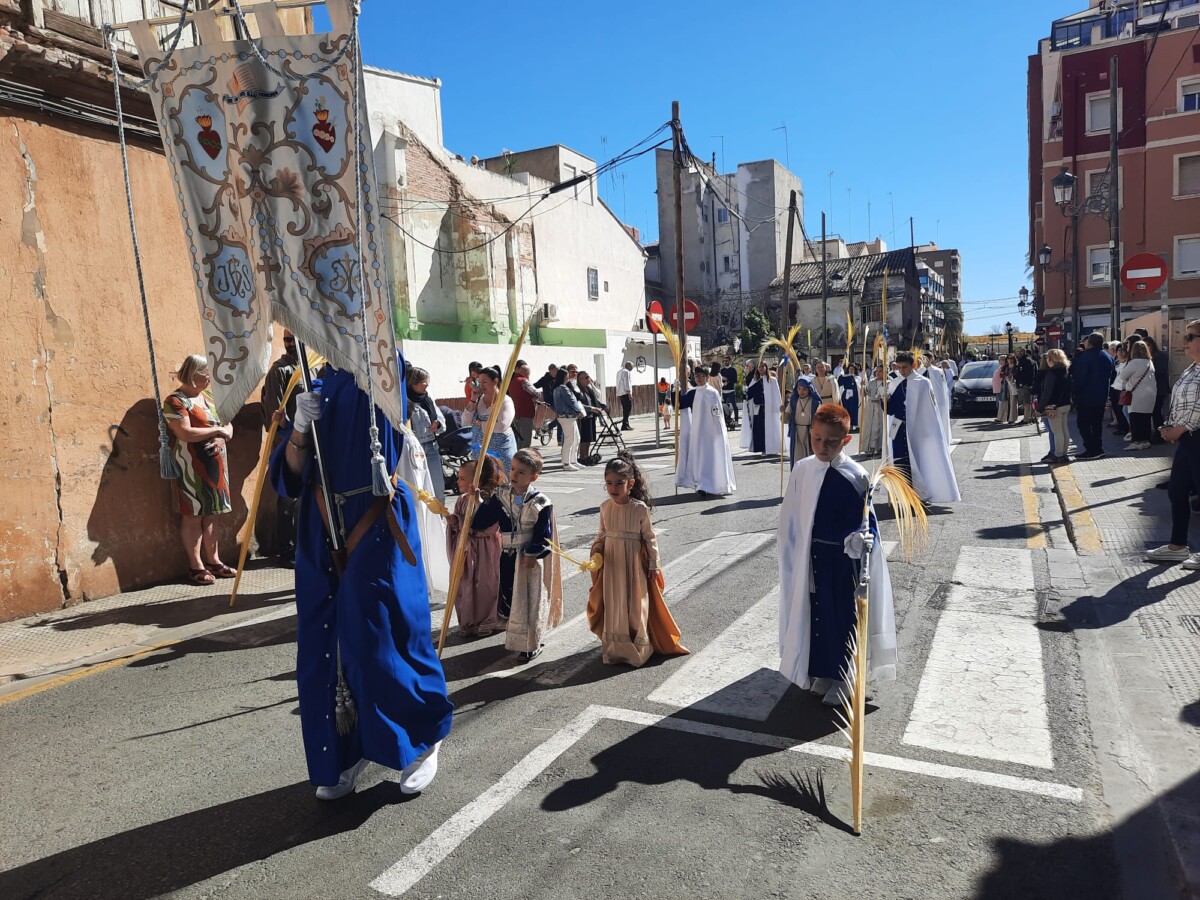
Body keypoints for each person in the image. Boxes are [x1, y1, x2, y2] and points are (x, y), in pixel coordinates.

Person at [271, 362, 452, 800]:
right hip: (320, 525)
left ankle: (419, 741)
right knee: (325, 642)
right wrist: (298, 430)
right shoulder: (307, 382)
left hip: (377, 520)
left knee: (385, 635)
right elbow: (290, 478)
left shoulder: (382, 363)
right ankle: (345, 749)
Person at [778, 403, 896, 706]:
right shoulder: (803, 469)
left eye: (831, 441)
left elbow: (867, 522)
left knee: (841, 618)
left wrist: (862, 539)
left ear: (846, 440)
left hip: (842, 564)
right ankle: (823, 671)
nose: (822, 446)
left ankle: (847, 677)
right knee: (816, 616)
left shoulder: (854, 476)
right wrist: (792, 553)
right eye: (817, 439)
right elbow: (792, 516)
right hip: (811, 558)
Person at [586, 454, 688, 667]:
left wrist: (653, 564)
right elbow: (601, 536)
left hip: (634, 564)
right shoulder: (605, 507)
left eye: (619, 483)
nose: (614, 488)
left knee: (635, 604)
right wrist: (596, 553)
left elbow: (650, 538)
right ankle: (615, 650)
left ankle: (638, 648)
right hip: (613, 565)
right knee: (614, 604)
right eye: (609, 483)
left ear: (631, 484)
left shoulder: (639, 508)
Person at [471, 449, 563, 657]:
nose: (514, 474)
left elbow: (543, 533)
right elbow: (483, 520)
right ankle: (517, 636)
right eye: (512, 469)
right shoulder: (501, 495)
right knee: (511, 597)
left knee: (529, 599)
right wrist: (476, 502)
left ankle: (531, 643)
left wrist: (532, 554)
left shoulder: (539, 502)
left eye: (521, 472)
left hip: (527, 558)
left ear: (533, 476)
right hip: (506, 556)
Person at [164, 354, 234, 586]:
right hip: (191, 465)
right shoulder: (176, 401)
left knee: (212, 514)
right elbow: (184, 433)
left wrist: (224, 436)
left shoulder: (211, 398)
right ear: (193, 374)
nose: (210, 380)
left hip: (216, 464)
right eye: (207, 375)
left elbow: (228, 424)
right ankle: (197, 566)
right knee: (193, 514)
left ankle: (214, 561)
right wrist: (217, 433)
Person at [887, 351, 960, 504]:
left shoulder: (923, 383)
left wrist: (928, 432)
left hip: (918, 432)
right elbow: (891, 410)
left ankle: (921, 495)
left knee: (921, 462)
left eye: (905, 367)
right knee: (901, 462)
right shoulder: (896, 383)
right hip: (900, 431)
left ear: (913, 365)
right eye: (899, 368)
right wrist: (884, 398)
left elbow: (929, 412)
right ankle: (904, 495)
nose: (902, 371)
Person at [447, 458, 504, 636]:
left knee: (484, 584)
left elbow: (490, 527)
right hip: (465, 549)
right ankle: (469, 621)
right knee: (465, 583)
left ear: (476, 481)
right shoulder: (462, 500)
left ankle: (486, 620)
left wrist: (468, 523)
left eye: (462, 478)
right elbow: (459, 519)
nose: (458, 482)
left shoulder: (489, 500)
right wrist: (453, 521)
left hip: (484, 549)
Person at [262, 332, 299, 565]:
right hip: (288, 444)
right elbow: (273, 415)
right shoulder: (280, 370)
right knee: (288, 499)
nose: (289, 344)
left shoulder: (312, 367)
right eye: (286, 339)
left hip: (310, 443)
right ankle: (286, 551)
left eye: (293, 338)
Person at [675, 367, 736, 497]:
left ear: (707, 377)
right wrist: (676, 390)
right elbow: (682, 403)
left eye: (701, 376)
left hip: (711, 433)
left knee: (711, 459)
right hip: (697, 433)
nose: (698, 378)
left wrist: (718, 433)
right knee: (700, 458)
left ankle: (713, 483)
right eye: (696, 376)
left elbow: (717, 414)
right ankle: (701, 484)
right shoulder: (693, 392)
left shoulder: (712, 393)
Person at [464, 366, 518, 477]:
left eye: (485, 382)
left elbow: (502, 425)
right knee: (484, 482)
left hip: (501, 450)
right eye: (479, 382)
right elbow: (465, 421)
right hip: (481, 450)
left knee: (504, 480)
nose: (481, 385)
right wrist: (473, 399)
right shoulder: (479, 400)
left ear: (495, 381)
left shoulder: (505, 400)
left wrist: (480, 423)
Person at [1071, 334, 1116, 460]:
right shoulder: (1108, 356)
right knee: (1097, 424)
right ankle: (1097, 448)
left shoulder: (1084, 357)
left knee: (1083, 424)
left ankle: (1091, 449)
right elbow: (1113, 376)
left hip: (1085, 396)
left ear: (1089, 343)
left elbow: (1079, 378)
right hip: (1101, 396)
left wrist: (1074, 393)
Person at [407, 365, 447, 499]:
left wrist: (438, 423)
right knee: (419, 489)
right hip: (414, 449)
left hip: (431, 446)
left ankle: (440, 517)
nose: (427, 384)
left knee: (437, 488)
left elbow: (441, 419)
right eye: (424, 381)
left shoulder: (427, 399)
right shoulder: (404, 401)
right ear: (413, 383)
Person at [1113, 341, 1157, 452]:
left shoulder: (1134, 363)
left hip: (1137, 395)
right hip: (1150, 394)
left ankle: (1137, 441)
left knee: (1135, 419)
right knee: (1146, 418)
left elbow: (1123, 376)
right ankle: (1145, 441)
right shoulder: (1149, 362)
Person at [1039, 349, 1073, 464]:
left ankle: (1058, 454)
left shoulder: (1051, 373)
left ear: (1051, 359)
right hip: (1066, 404)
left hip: (1054, 406)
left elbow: (1047, 392)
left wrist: (1040, 408)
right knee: (1064, 430)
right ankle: (1064, 454)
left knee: (1057, 431)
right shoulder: (1066, 371)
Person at [743, 360, 783, 455]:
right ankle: (762, 448)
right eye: (759, 367)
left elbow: (776, 395)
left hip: (769, 409)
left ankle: (772, 447)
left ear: (766, 368)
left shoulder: (772, 380)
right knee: (760, 430)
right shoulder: (755, 380)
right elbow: (750, 394)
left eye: (763, 366)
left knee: (770, 428)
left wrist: (778, 407)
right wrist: (745, 393)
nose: (761, 368)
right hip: (758, 409)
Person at [553, 367, 587, 471]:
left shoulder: (557, 388)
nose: (569, 376)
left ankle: (573, 460)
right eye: (567, 374)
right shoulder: (563, 388)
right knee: (570, 440)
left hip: (567, 417)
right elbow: (571, 401)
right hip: (567, 416)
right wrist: (579, 411)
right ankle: (566, 463)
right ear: (564, 376)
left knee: (576, 438)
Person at [786, 375, 818, 465]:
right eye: (799, 389)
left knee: (810, 457)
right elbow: (786, 416)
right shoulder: (794, 401)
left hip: (809, 432)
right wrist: (783, 413)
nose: (801, 391)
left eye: (804, 389)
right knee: (798, 457)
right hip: (797, 433)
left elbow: (819, 417)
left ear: (810, 389)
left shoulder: (815, 402)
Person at [576, 371, 607, 465]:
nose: (588, 379)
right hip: (583, 416)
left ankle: (586, 455)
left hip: (590, 415)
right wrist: (591, 409)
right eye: (586, 377)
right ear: (580, 379)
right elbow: (578, 404)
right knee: (584, 438)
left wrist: (603, 407)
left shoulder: (588, 389)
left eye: (588, 377)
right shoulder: (578, 389)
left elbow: (596, 398)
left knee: (589, 438)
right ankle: (582, 457)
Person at [508, 360, 540, 450]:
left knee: (519, 441)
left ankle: (517, 459)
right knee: (525, 442)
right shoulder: (524, 381)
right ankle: (523, 462)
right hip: (525, 414)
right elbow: (537, 393)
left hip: (516, 414)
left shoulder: (511, 381)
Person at [922, 354, 952, 445]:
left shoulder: (938, 371)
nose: (925, 361)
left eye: (926, 359)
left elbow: (942, 387)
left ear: (931, 359)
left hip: (938, 400)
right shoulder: (920, 371)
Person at [1145, 335, 1169, 441]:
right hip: (1153, 389)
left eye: (1148, 345)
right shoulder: (1150, 356)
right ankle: (1158, 433)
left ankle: (1160, 435)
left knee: (1157, 412)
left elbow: (1161, 371)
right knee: (1155, 412)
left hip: (1160, 388)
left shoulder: (1159, 356)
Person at [859, 365, 886, 457]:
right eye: (877, 371)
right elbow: (863, 394)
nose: (878, 373)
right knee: (870, 427)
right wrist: (862, 386)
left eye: (881, 371)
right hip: (870, 407)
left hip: (881, 406)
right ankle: (870, 447)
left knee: (879, 427)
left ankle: (880, 447)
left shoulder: (888, 382)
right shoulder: (871, 382)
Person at [1110, 345, 1131, 437]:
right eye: (1119, 351)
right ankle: (1121, 426)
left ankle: (1126, 428)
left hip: (1124, 388)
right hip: (1115, 387)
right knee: (1117, 408)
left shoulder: (1128, 363)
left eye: (1123, 351)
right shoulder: (1116, 361)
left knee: (1123, 410)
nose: (1121, 353)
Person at [1015, 348, 1037, 424]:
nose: (1018, 353)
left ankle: (1026, 419)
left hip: (1025, 385)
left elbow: (1024, 374)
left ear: (1024, 352)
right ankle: (1031, 417)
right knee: (1029, 402)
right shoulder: (1031, 361)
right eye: (1018, 352)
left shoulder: (1025, 361)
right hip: (1029, 384)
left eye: (1020, 352)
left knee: (1026, 402)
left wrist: (1023, 383)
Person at [837, 364, 860, 432]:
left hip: (855, 396)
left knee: (854, 410)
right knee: (847, 409)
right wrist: (840, 373)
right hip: (846, 396)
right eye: (850, 369)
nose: (851, 370)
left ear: (855, 370)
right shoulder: (845, 377)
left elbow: (860, 387)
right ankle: (847, 424)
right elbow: (839, 383)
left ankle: (853, 424)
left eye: (853, 369)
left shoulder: (858, 378)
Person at [720, 355, 740, 428]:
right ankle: (724, 421)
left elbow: (735, 380)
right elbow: (720, 380)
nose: (725, 362)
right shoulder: (722, 370)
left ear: (730, 361)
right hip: (723, 390)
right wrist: (723, 381)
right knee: (722, 406)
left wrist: (727, 380)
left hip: (731, 390)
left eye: (727, 361)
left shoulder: (733, 369)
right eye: (724, 361)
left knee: (735, 406)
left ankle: (736, 420)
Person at [615, 361, 634, 431]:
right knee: (628, 409)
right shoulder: (626, 372)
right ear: (628, 366)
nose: (632, 368)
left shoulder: (619, 372)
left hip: (620, 393)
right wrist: (629, 393)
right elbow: (627, 383)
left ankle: (626, 424)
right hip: (625, 393)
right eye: (632, 366)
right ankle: (625, 425)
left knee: (625, 409)